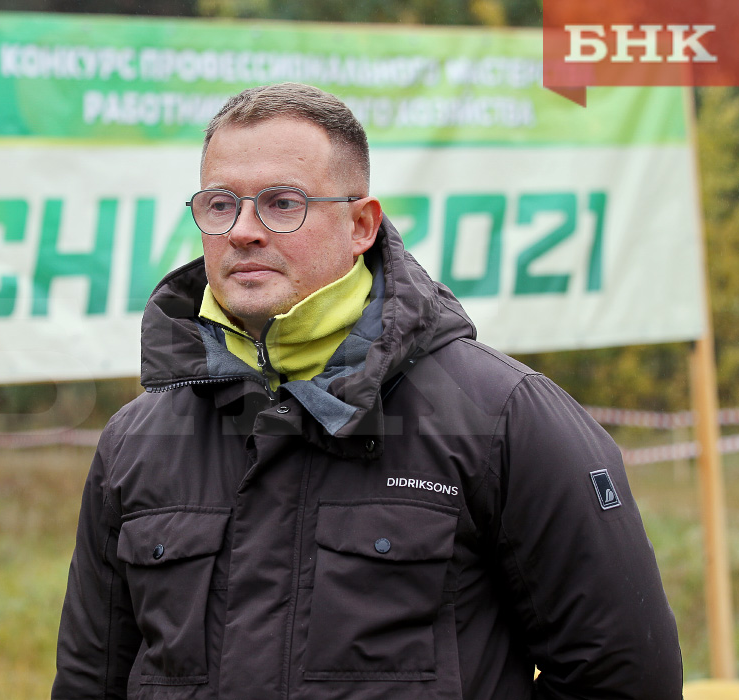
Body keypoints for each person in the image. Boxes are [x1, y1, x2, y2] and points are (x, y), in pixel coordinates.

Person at [52, 82, 682, 700]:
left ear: (360, 225)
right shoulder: (135, 442)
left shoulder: (500, 416)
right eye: (220, 205)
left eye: (282, 203)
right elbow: (89, 684)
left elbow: (625, 680)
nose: (243, 230)